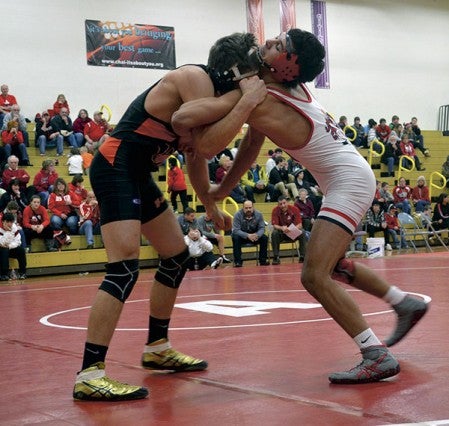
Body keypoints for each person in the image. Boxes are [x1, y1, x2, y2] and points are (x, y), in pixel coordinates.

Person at [176, 29, 428, 384]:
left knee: (314, 275)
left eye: (278, 46)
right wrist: (223, 189)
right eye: (274, 40)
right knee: (334, 265)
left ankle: (375, 353)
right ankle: (404, 302)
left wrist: (192, 114)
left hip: (348, 182)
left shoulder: (261, 100)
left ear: (288, 68)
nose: (268, 44)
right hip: (346, 176)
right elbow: (250, 144)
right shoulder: (281, 90)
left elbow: (203, 143)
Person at [73, 33, 267, 402]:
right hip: (115, 166)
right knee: (124, 267)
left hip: (136, 172)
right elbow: (202, 134)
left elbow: (197, 154)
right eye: (251, 69)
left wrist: (209, 203)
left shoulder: (216, 93)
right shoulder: (196, 77)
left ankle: (157, 347)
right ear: (237, 69)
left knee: (177, 257)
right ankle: (89, 373)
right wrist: (244, 96)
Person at [231, 200, 269, 267]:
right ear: (243, 208)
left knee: (264, 238)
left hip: (255, 236)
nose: (248, 209)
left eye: (250, 207)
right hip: (242, 237)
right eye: (246, 208)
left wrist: (257, 235)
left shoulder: (259, 214)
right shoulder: (237, 215)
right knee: (235, 237)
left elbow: (262, 228)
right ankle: (238, 262)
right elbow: (236, 230)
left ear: (253, 207)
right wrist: (247, 235)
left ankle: (263, 260)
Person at [271, 195, 307, 264]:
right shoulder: (275, 210)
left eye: (284, 203)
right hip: (282, 233)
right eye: (280, 204)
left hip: (293, 233)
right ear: (278, 204)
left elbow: (300, 225)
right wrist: (282, 228)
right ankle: (276, 257)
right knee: (274, 233)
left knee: (302, 232)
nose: (283, 205)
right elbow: (275, 225)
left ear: (287, 202)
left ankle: (302, 256)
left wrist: (291, 229)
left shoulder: (295, 209)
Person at [47, 177, 79, 248]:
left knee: (72, 222)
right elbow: (51, 207)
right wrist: (60, 214)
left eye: (62, 185)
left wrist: (71, 202)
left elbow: (78, 203)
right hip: (58, 215)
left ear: (65, 186)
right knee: (54, 221)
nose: (61, 186)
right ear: (56, 186)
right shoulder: (53, 195)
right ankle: (65, 236)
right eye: (59, 185)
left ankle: (74, 236)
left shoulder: (70, 193)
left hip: (70, 214)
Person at [0, 212, 27, 280]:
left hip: (9, 247)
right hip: (1, 249)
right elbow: (2, 243)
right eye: (7, 222)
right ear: (3, 221)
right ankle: (4, 274)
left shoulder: (14, 227)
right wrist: (8, 232)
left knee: (21, 250)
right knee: (4, 251)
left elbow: (18, 241)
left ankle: (22, 273)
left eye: (11, 222)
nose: (10, 224)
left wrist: (9, 246)